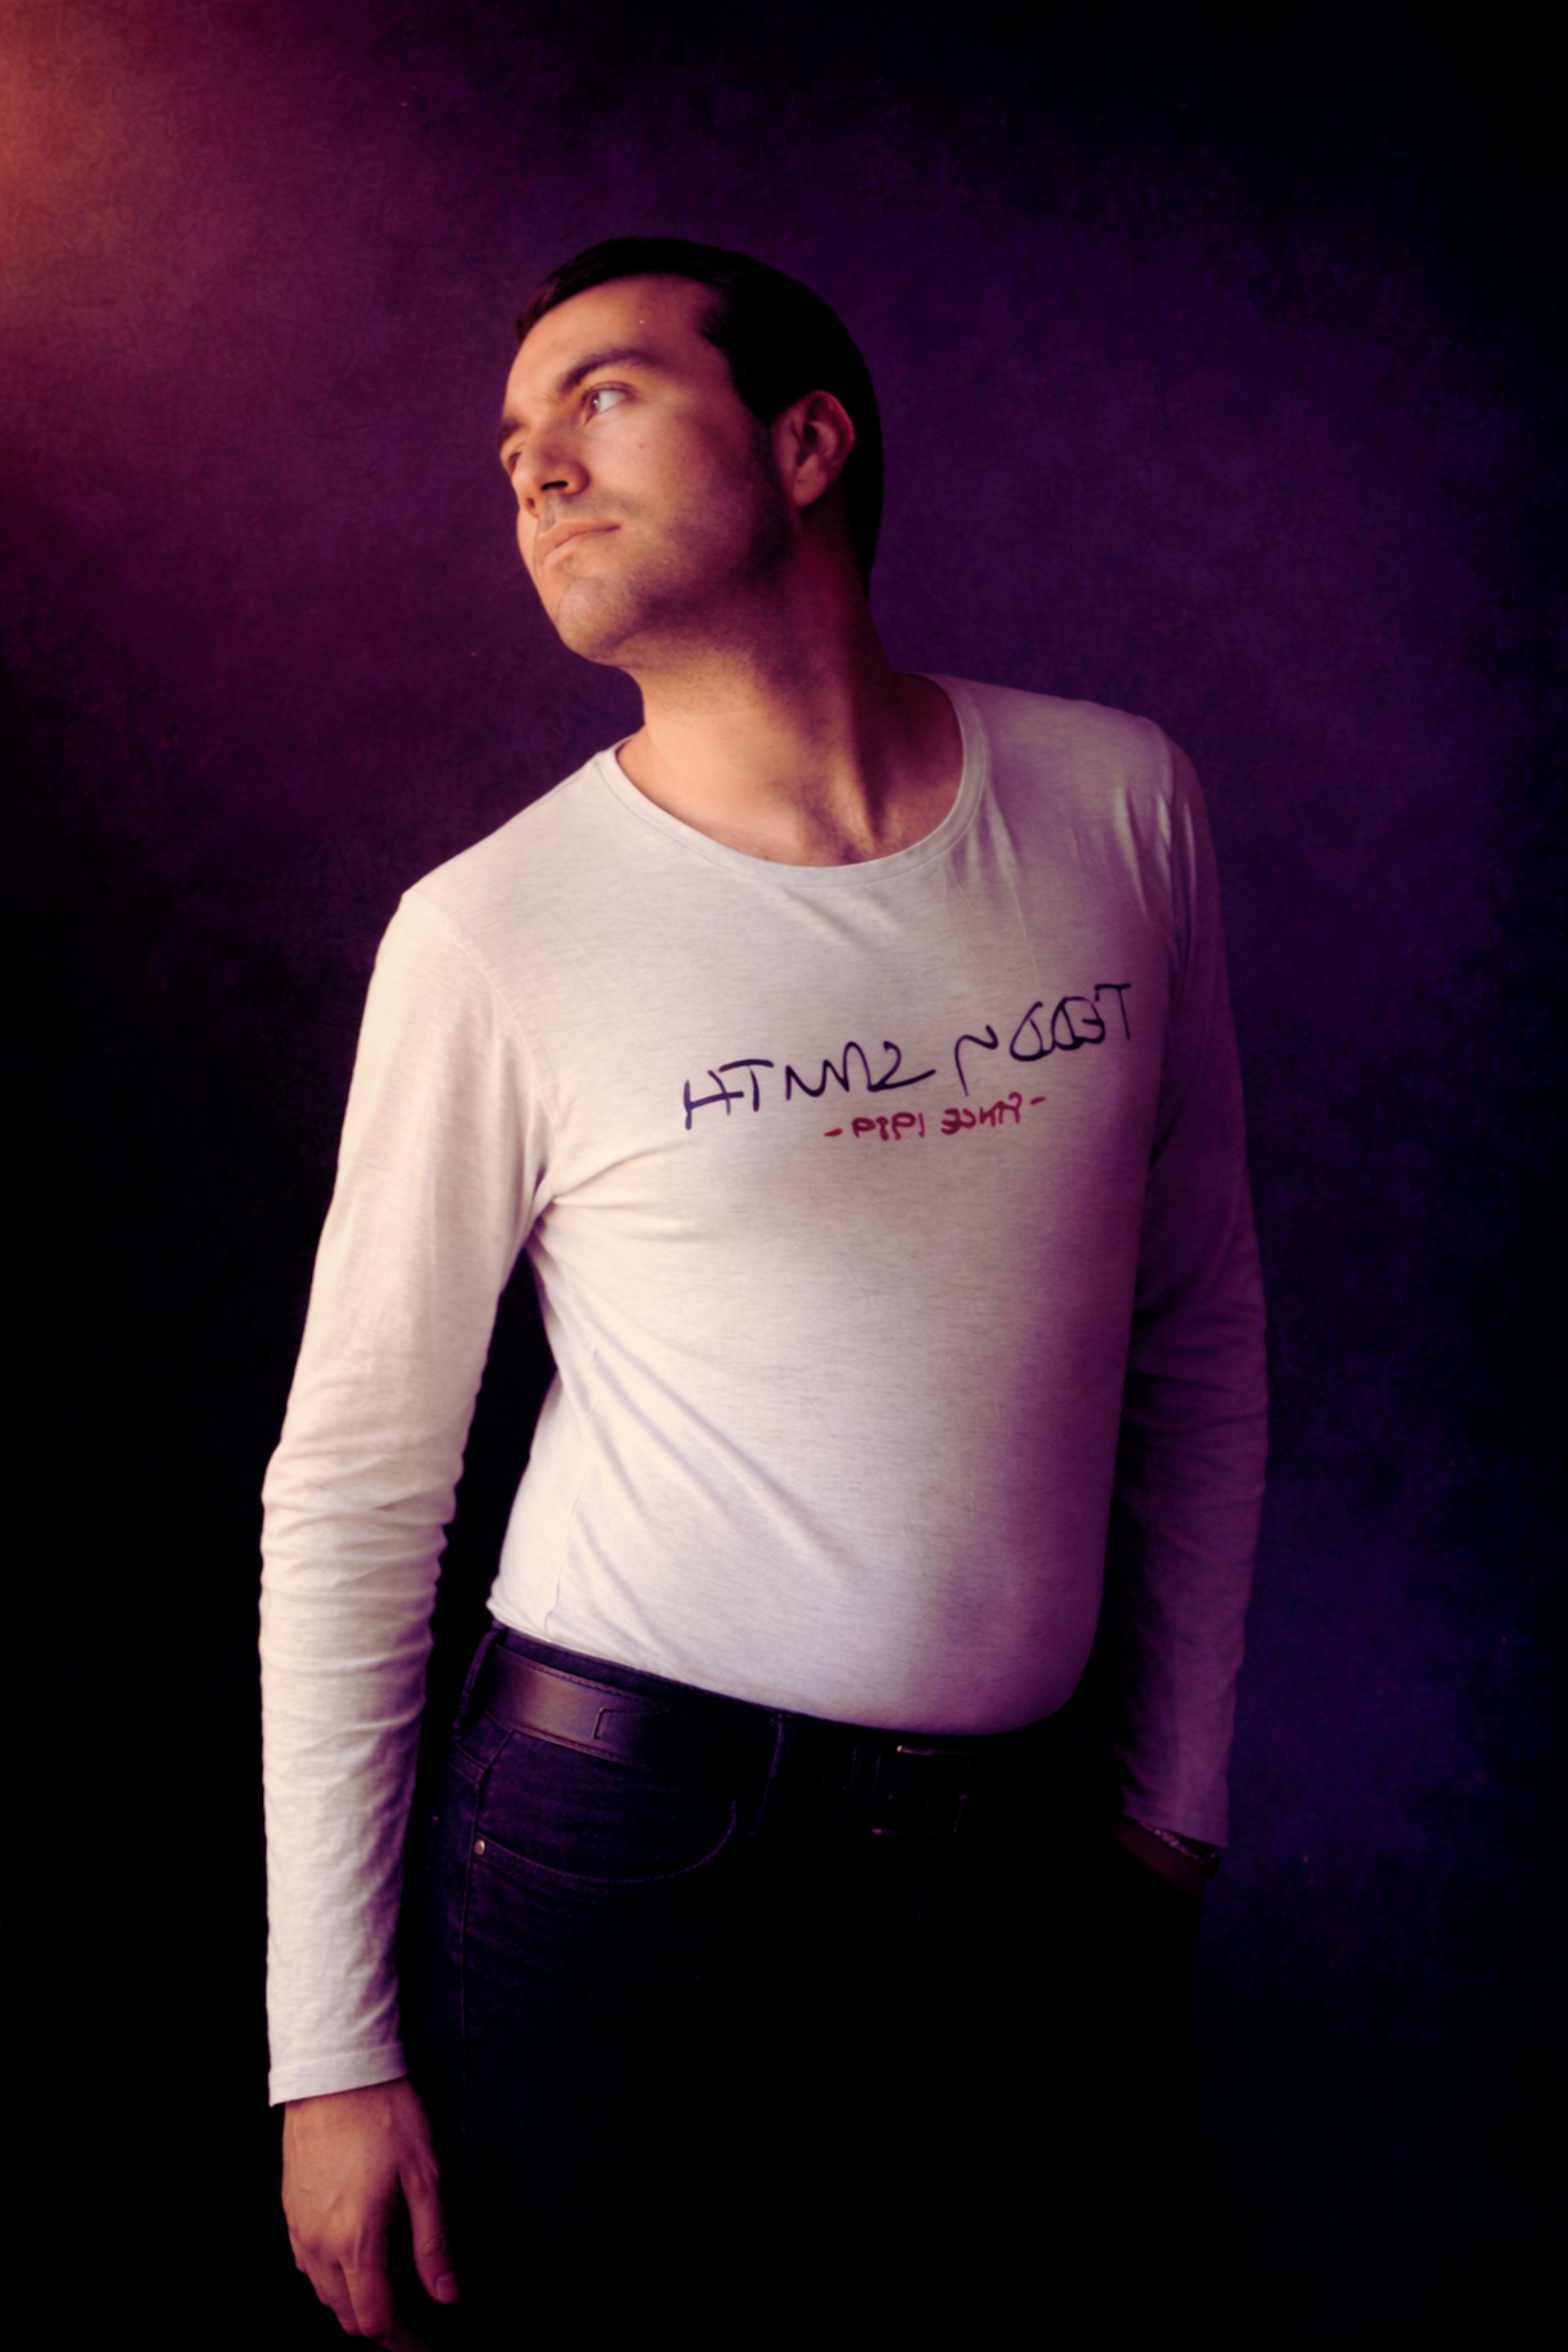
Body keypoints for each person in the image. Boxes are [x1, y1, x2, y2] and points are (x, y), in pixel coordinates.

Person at [264, 235, 1267, 2346]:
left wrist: (1169, 1811)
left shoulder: (1118, 805)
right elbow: (355, 1493)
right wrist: (326, 2049)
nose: (535, 470)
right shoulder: (494, 933)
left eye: (602, 399)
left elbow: (1204, 1331)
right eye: (511, 446)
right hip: (629, 1869)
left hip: (1026, 1865)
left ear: (809, 441)